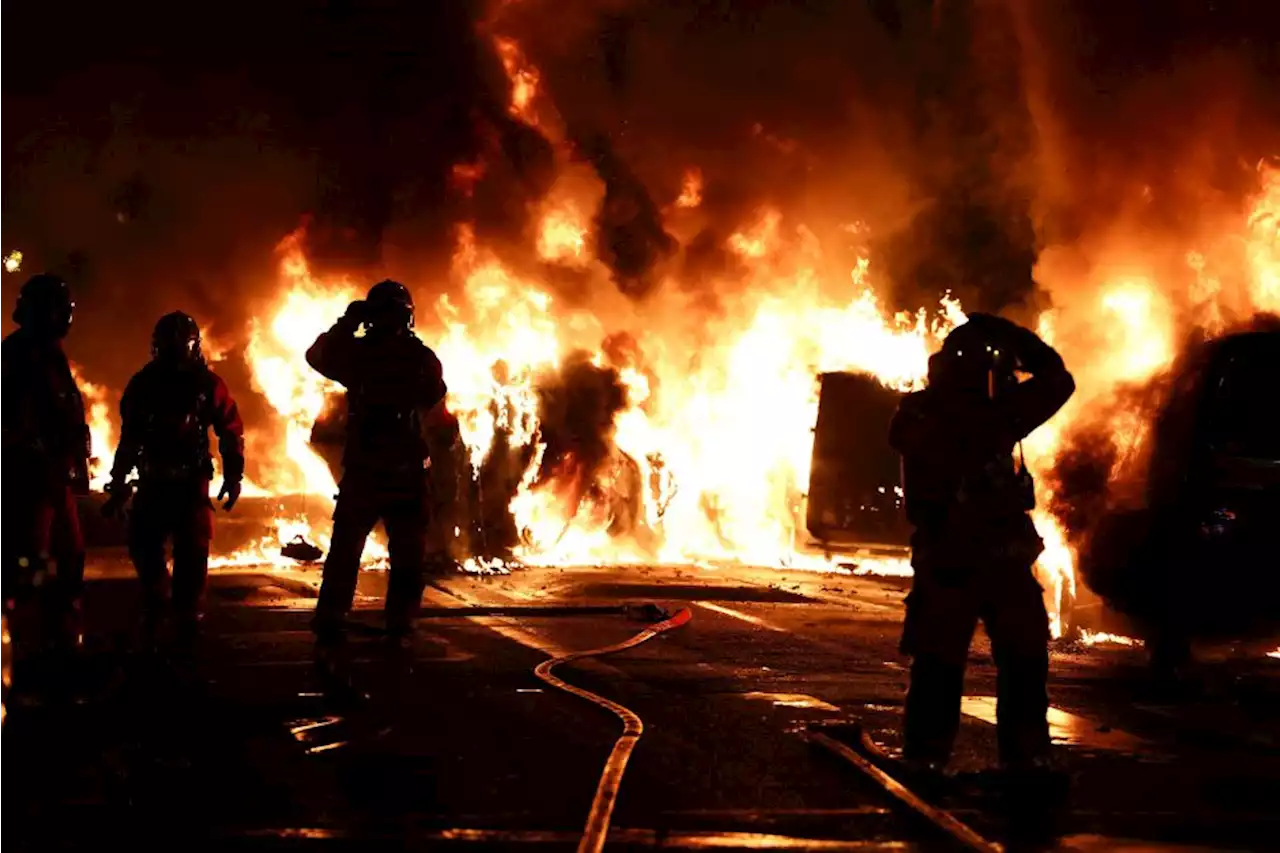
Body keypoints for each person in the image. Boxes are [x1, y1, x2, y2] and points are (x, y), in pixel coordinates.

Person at [890, 312, 1075, 780]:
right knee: (994, 659)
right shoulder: (980, 415)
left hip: (970, 560)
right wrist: (1016, 339)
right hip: (968, 558)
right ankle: (1013, 755)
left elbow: (1057, 383)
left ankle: (933, 756)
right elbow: (1056, 379)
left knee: (980, 659)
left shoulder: (925, 410)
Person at [305, 280, 447, 647]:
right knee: (393, 552)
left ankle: (339, 618)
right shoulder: (414, 358)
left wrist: (347, 323)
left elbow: (320, 355)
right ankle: (394, 623)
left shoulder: (362, 356)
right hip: (391, 468)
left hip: (382, 468)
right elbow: (434, 398)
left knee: (367, 550)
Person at [102, 312, 244, 647]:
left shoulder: (205, 385)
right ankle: (159, 605)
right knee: (144, 546)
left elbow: (230, 430)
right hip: (153, 482)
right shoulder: (145, 385)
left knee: (192, 554)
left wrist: (234, 473)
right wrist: (120, 479)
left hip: (189, 485)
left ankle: (185, 620)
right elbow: (131, 438)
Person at [0, 274, 91, 662]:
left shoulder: (51, 353)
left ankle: (63, 643)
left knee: (70, 558)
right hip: (27, 482)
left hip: (54, 479)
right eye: (60, 309)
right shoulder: (14, 355)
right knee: (29, 564)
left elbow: (65, 411)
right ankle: (18, 645)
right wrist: (28, 447)